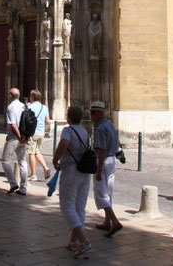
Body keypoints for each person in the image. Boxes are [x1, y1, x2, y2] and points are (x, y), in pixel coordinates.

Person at [52, 106, 92, 257]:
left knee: (67, 207)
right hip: (84, 172)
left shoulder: (68, 131)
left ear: (68, 117)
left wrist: (55, 159)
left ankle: (84, 241)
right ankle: (73, 241)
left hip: (71, 172)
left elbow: (63, 144)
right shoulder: (85, 131)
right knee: (79, 207)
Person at [90, 101, 122, 237]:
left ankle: (114, 221)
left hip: (104, 162)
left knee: (100, 192)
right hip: (113, 160)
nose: (90, 116)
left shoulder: (101, 129)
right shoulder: (110, 125)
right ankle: (107, 222)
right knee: (108, 192)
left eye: (92, 113)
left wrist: (98, 169)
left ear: (98, 113)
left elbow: (102, 150)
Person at [1, 87, 28, 196]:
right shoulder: (23, 106)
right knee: (22, 161)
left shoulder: (11, 107)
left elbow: (12, 124)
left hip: (14, 137)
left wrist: (19, 136)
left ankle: (13, 183)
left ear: (11, 96)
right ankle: (23, 188)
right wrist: (25, 137)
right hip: (23, 138)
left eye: (9, 94)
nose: (8, 96)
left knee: (5, 160)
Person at [27, 89, 51, 182]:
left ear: (32, 97)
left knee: (31, 153)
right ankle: (46, 168)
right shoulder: (44, 107)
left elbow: (26, 120)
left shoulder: (29, 107)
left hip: (32, 133)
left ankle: (33, 175)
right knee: (37, 151)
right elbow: (48, 121)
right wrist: (47, 130)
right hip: (41, 133)